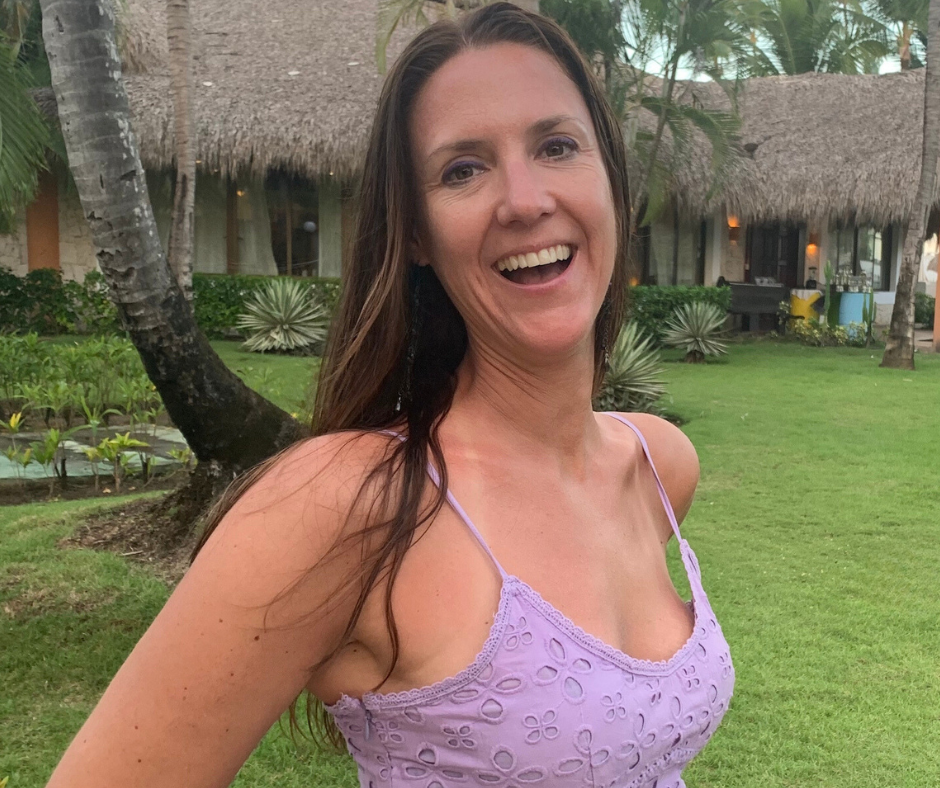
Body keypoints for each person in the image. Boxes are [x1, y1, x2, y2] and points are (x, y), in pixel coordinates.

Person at [46, 5, 734, 787]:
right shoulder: (344, 508)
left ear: (612, 181)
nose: (524, 199)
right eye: (462, 170)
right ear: (414, 233)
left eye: (556, 146)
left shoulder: (658, 466)